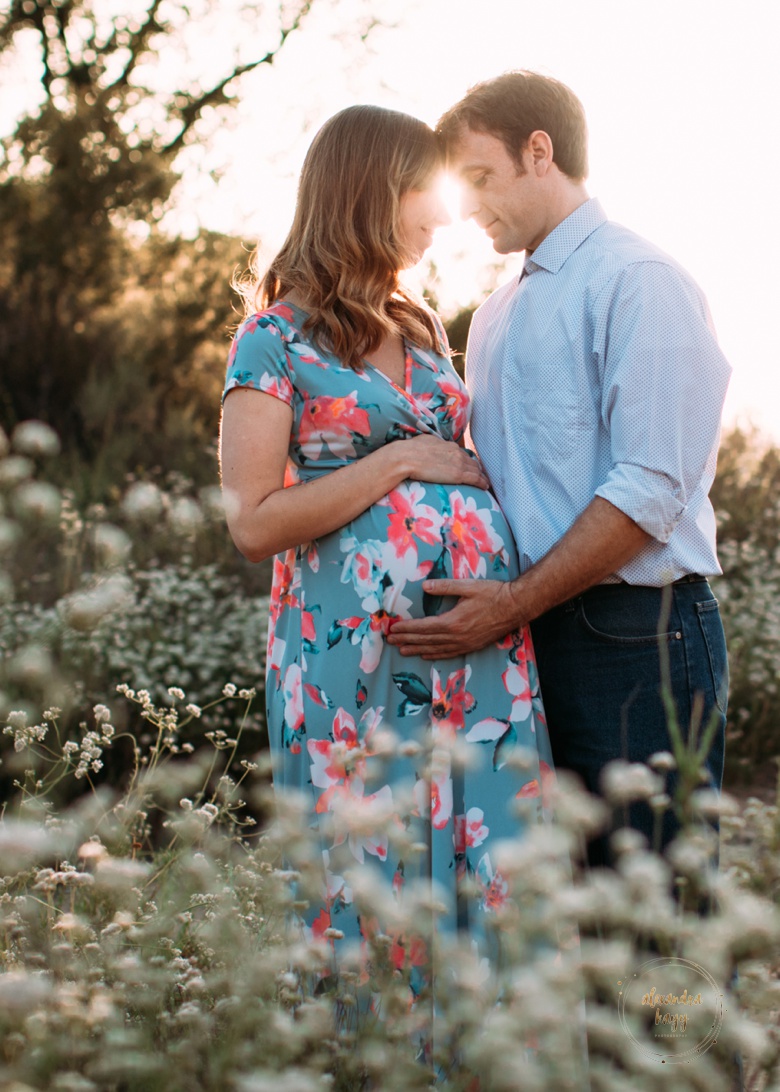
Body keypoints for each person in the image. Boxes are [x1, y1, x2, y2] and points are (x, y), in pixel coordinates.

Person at [219, 105, 554, 1036]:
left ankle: (483, 1059)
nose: (439, 215)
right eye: (423, 191)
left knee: (487, 862)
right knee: (367, 871)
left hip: (475, 651)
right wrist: (400, 462)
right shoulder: (273, 341)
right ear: (368, 192)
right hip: (351, 662)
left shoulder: (421, 325)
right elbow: (252, 521)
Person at [388, 72, 732, 867]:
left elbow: (651, 488)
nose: (469, 206)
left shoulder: (638, 281)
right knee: (567, 909)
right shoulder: (498, 312)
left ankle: (680, 1004)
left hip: (636, 636)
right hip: (526, 635)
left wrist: (511, 603)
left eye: (481, 178)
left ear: (538, 152)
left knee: (653, 900)